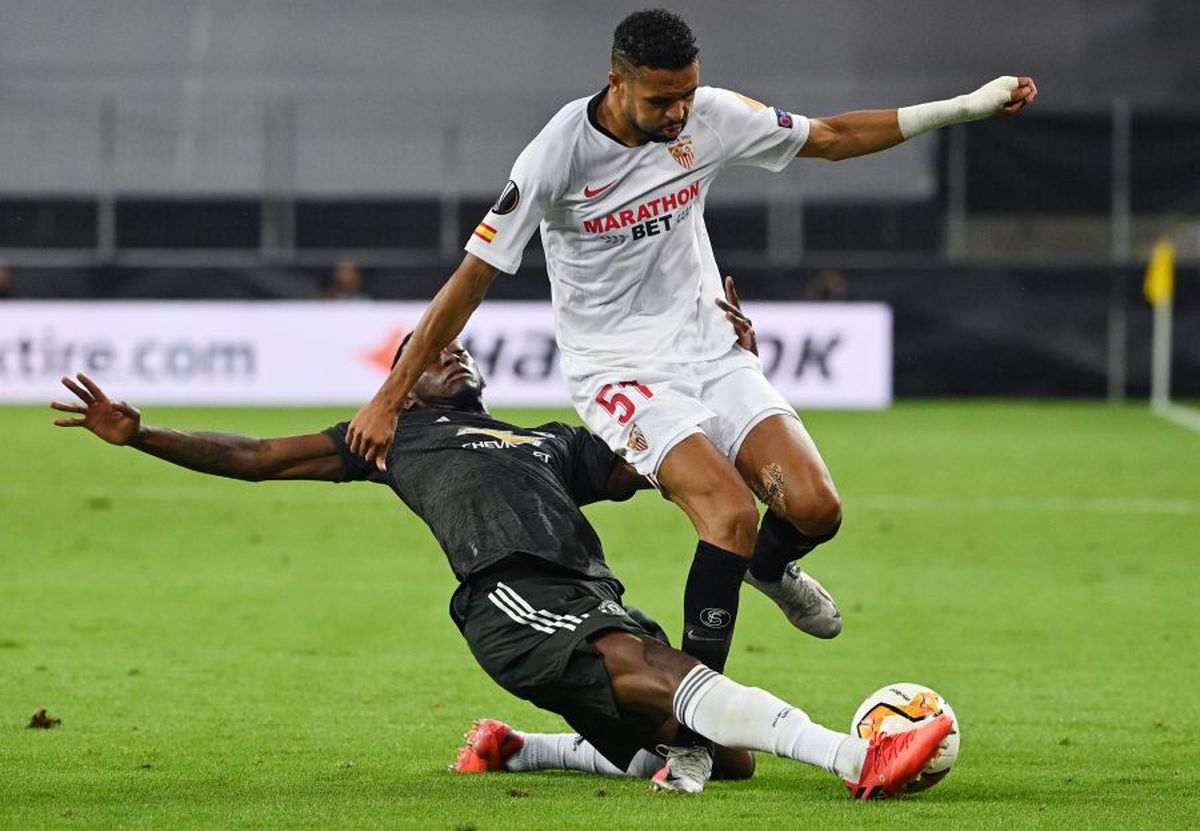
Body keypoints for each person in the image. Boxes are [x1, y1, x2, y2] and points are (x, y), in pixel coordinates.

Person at [345, 9, 1038, 706]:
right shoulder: (556, 154)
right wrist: (389, 397)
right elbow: (469, 282)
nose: (679, 113)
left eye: (687, 94)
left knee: (816, 509)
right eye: (661, 100)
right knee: (730, 514)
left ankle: (768, 570)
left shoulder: (710, 116)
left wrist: (965, 107)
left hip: (710, 349)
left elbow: (830, 138)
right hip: (619, 370)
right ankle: (695, 725)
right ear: (617, 82)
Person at [49, 292, 951, 797]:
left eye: (455, 344)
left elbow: (673, 457)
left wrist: (729, 371)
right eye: (427, 349)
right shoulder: (390, 438)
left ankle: (519, 748)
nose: (451, 352)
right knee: (662, 675)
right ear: (401, 380)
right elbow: (253, 456)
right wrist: (143, 434)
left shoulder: (547, 440)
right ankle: (854, 756)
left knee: (725, 757)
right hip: (510, 598)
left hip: (591, 597)